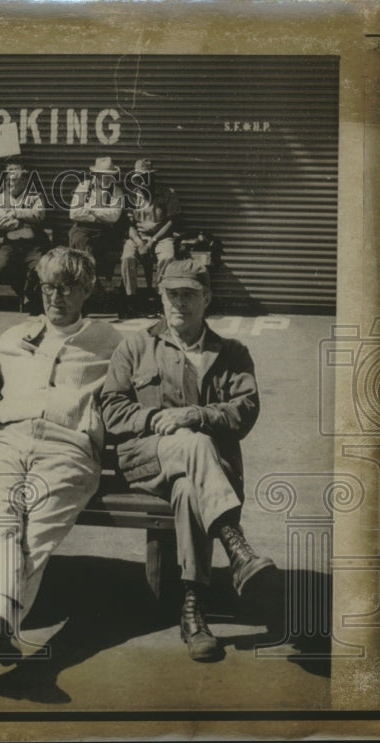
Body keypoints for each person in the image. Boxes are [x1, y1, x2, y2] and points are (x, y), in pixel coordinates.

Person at [0, 246, 122, 685]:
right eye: (48, 286)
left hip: (68, 449)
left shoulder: (113, 343)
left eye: (67, 288)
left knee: (35, 533)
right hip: (7, 438)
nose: (55, 297)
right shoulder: (12, 338)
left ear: (87, 290)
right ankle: (0, 630)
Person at [100, 258, 275, 662]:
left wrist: (196, 415)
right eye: (171, 294)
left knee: (187, 488)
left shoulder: (231, 352)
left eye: (189, 294)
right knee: (194, 444)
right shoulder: (136, 346)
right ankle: (236, 547)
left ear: (207, 298)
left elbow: (245, 409)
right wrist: (153, 418)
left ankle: (193, 611)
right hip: (145, 461)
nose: (178, 303)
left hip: (201, 476)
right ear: (161, 297)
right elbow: (111, 408)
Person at [0, 157, 47, 315]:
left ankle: (32, 299)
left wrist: (14, 213)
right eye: (8, 180)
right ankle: (26, 294)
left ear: (24, 180)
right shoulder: (1, 198)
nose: (10, 183)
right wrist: (20, 223)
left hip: (32, 245)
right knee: (3, 266)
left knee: (38, 268)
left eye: (14, 180)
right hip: (9, 244)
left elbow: (38, 214)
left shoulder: (35, 196)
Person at [67, 156, 127, 316]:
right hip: (83, 230)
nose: (106, 179)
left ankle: (92, 292)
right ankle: (94, 292)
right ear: (96, 175)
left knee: (90, 256)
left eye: (109, 175)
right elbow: (74, 213)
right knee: (83, 250)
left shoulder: (117, 192)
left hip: (105, 232)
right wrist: (99, 215)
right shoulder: (83, 187)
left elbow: (114, 216)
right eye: (102, 175)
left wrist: (90, 209)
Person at [122, 158, 182, 314]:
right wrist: (140, 242)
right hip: (137, 237)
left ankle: (160, 297)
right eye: (138, 178)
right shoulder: (131, 196)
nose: (142, 181)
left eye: (145, 177)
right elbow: (128, 225)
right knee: (127, 257)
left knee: (167, 257)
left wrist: (152, 241)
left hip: (161, 236)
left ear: (152, 177)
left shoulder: (167, 194)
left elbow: (171, 222)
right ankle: (131, 300)